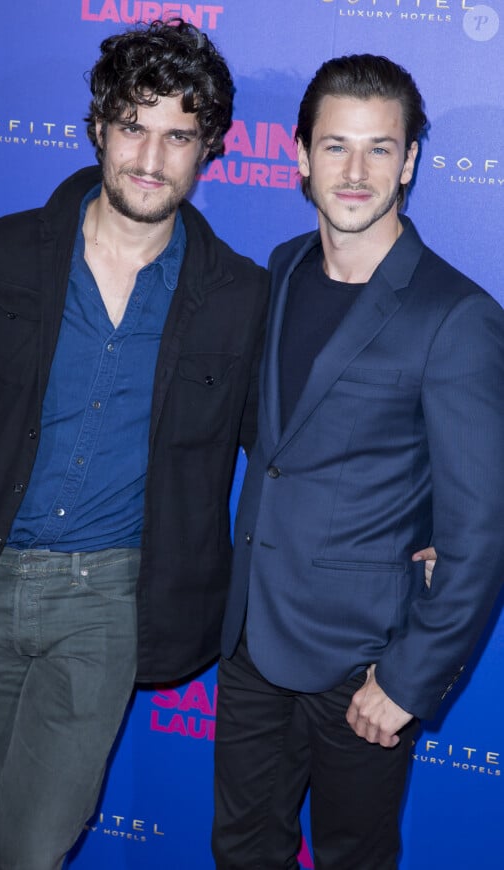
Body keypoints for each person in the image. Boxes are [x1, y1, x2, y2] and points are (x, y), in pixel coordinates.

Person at [0, 20, 268, 870]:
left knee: (31, 847)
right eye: (132, 125)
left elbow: (285, 446)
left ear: (209, 150)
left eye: (177, 134)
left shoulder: (240, 298)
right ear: (99, 129)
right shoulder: (0, 254)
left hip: (105, 598)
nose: (151, 157)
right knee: (1, 822)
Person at [213, 54, 504, 870]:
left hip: (364, 668)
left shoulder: (458, 317)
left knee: (353, 859)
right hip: (251, 645)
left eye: (381, 148)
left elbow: (480, 531)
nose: (355, 171)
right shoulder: (280, 269)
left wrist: (410, 678)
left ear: (410, 161)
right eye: (335, 146)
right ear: (299, 155)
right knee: (239, 852)